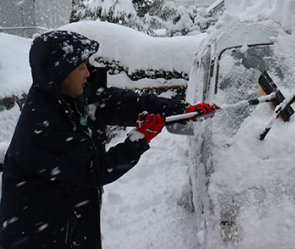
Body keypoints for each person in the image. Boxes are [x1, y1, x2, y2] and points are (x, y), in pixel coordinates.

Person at [0, 30, 215, 249]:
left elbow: (123, 103)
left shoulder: (74, 99)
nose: (88, 73)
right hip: (39, 237)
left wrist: (183, 110)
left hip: (66, 227)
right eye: (81, 68)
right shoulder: (43, 123)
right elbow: (95, 168)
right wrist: (139, 139)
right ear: (60, 74)